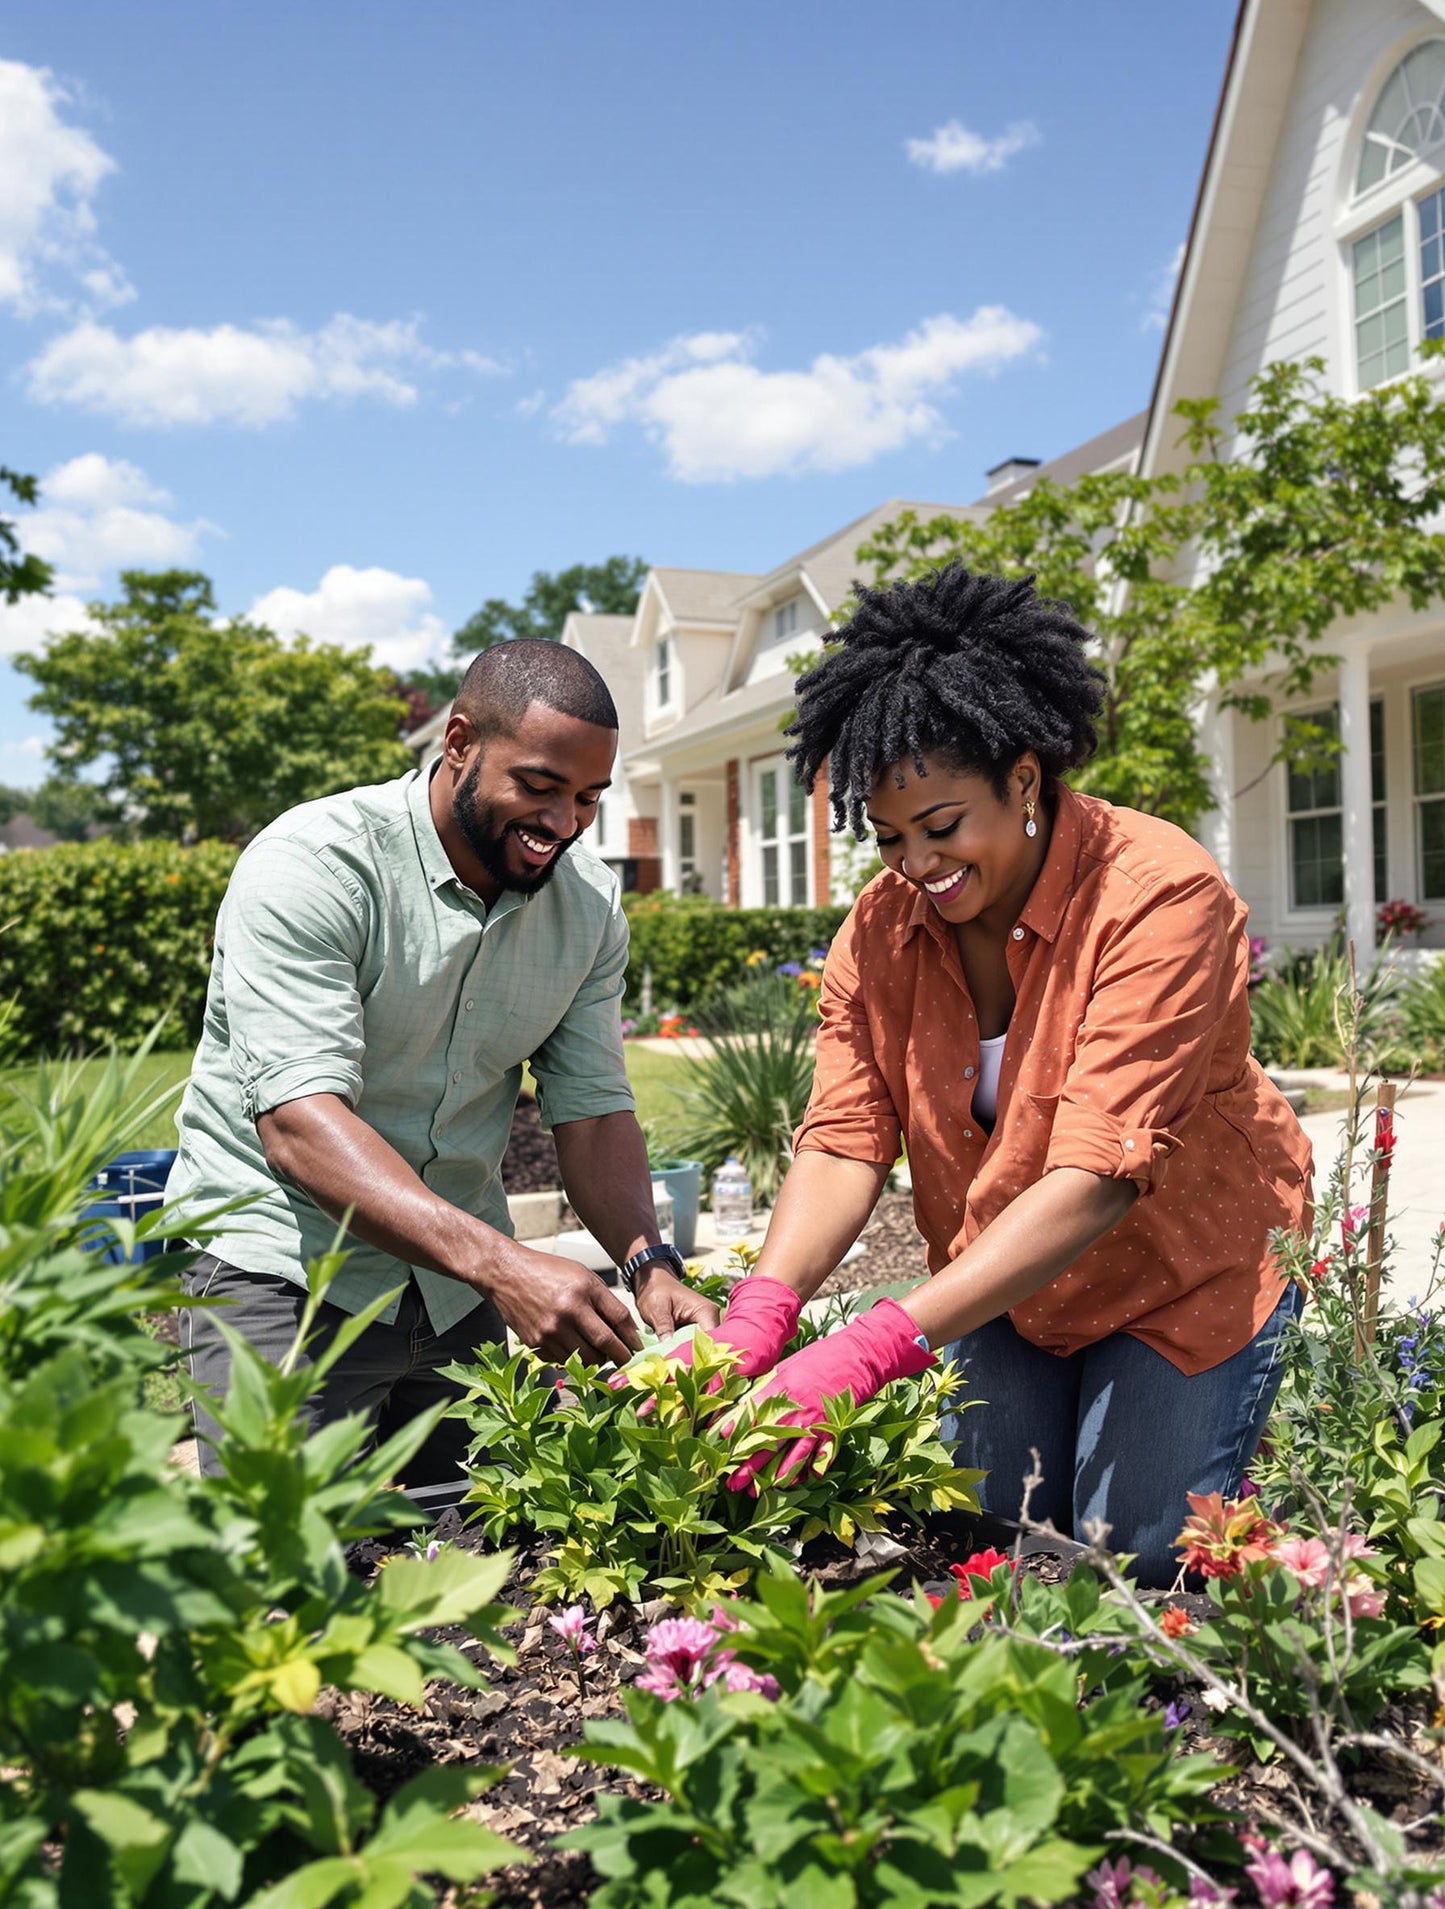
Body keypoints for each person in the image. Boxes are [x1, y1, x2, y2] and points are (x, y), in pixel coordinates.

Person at [691, 564, 1311, 1587]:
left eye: (941, 827)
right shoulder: (881, 933)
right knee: (989, 1539)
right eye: (888, 838)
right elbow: (845, 1137)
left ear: (1023, 777)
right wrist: (763, 1312)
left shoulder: (1157, 897)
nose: (915, 865)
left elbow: (1094, 1171)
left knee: (1128, 1565)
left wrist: (876, 1342)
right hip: (1008, 1289)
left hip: (1179, 1273)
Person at [170, 638, 718, 1482]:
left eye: (587, 798)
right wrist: (506, 1266)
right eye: (538, 786)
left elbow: (594, 1107)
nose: (563, 823)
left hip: (455, 1289)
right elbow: (298, 1123)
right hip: (287, 1269)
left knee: (472, 1579)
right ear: (457, 743)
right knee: (278, 1581)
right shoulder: (314, 866)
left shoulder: (588, 910)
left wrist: (648, 1261)